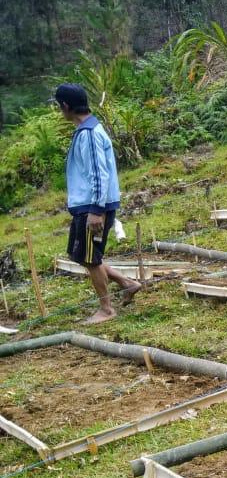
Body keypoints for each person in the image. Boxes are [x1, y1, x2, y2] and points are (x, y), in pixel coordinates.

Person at [55, 83, 140, 324]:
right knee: (81, 255)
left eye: (59, 106)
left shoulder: (89, 134)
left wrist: (96, 211)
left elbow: (98, 175)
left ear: (65, 106)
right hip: (87, 206)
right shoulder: (88, 129)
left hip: (92, 208)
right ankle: (126, 283)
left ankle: (106, 309)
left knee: (91, 259)